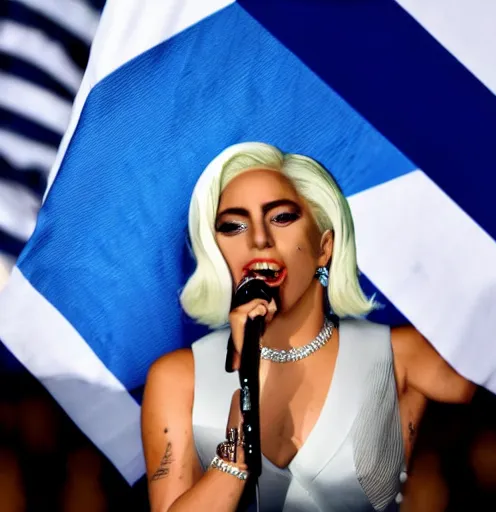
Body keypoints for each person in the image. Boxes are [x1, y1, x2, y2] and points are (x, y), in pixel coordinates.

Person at [142, 142, 476, 512]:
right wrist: (235, 454)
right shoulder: (178, 378)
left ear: (324, 246)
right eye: (233, 226)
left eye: (281, 218)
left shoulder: (402, 357)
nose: (258, 240)